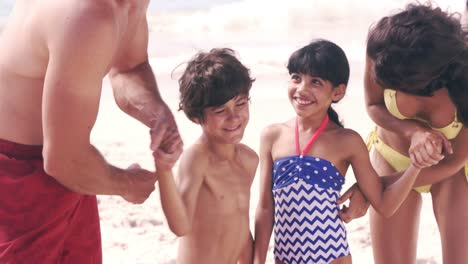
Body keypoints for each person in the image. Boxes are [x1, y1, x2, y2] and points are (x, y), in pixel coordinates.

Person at [0, 0, 182, 262]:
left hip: (70, 164)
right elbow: (63, 161)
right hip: (17, 178)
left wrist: (157, 113)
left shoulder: (129, 4)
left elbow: (128, 67)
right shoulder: (88, 15)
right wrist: (128, 185)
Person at [252, 39, 438, 264]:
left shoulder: (346, 141)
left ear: (337, 92)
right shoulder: (272, 136)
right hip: (284, 258)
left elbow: (384, 204)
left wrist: (415, 167)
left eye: (316, 82)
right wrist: (258, 259)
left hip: (332, 257)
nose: (302, 89)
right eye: (296, 78)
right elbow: (264, 207)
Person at [363, 3, 468, 263]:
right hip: (391, 157)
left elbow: (456, 160)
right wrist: (413, 130)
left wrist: (372, 189)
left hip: (452, 170)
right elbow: (373, 104)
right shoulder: (381, 46)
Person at [156, 48, 258, 264]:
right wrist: (164, 170)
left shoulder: (249, 160)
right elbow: (180, 226)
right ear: (196, 116)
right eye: (220, 111)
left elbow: (240, 226)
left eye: (240, 104)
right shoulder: (197, 158)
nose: (234, 117)